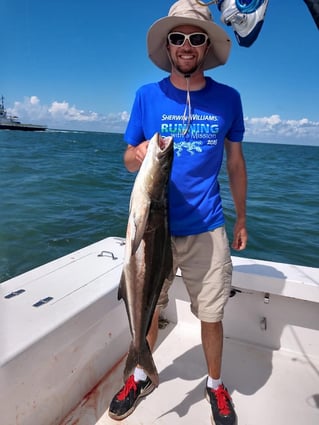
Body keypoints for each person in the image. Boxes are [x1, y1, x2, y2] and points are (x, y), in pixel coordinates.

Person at [108, 0, 247, 424]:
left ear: (207, 46)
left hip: (207, 227)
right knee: (149, 306)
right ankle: (139, 373)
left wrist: (242, 217)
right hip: (151, 230)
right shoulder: (146, 96)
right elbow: (129, 160)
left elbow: (236, 163)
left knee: (212, 313)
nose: (186, 45)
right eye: (178, 37)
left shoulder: (228, 99)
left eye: (196, 37)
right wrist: (141, 152)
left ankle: (215, 386)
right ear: (168, 47)